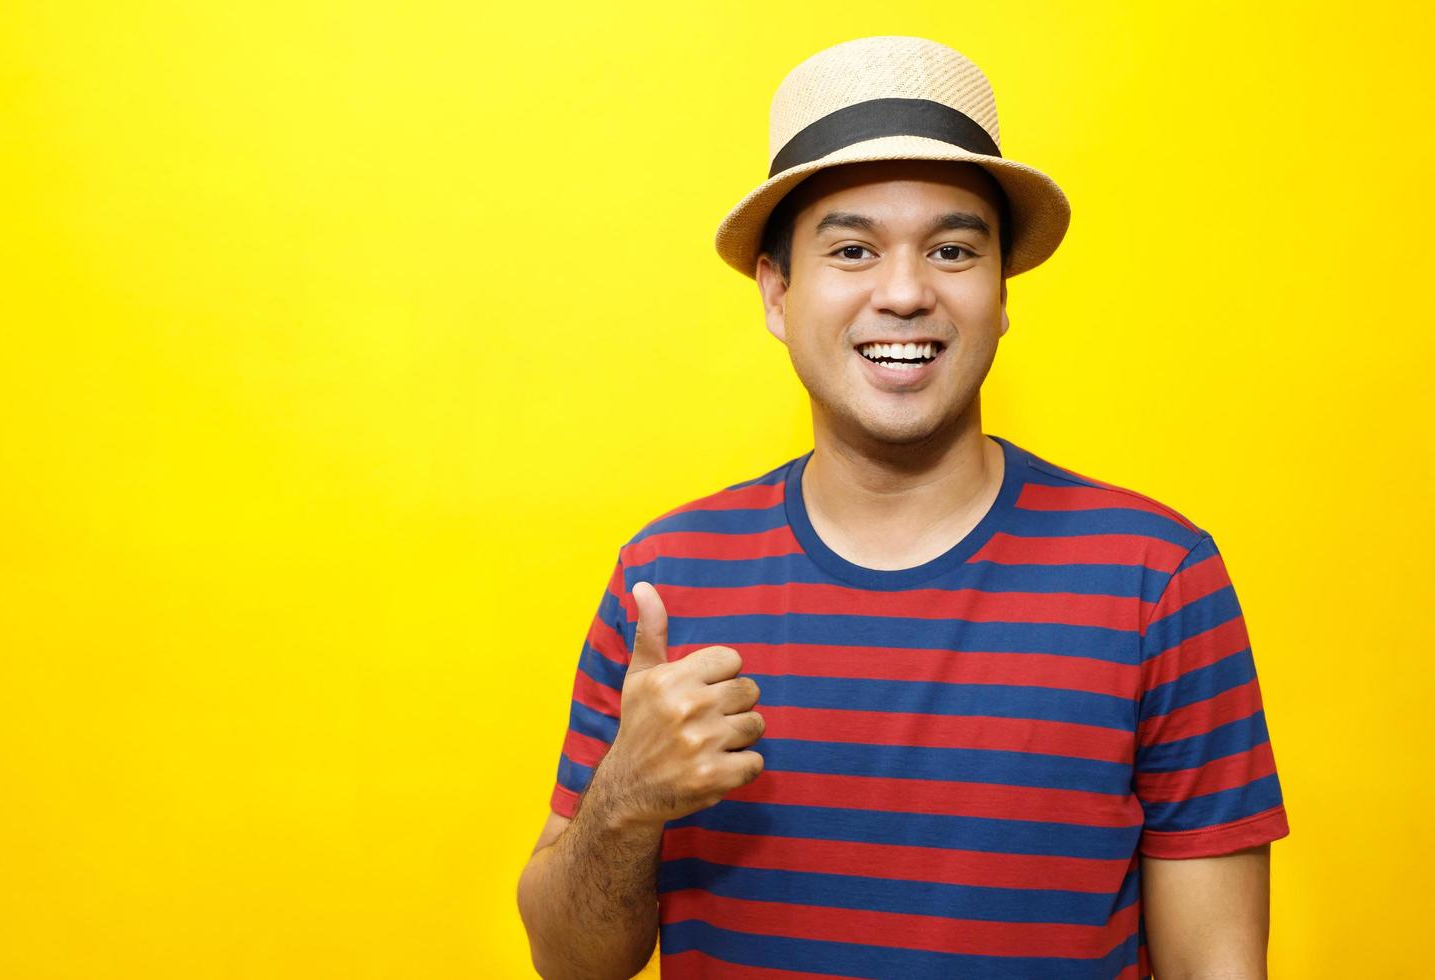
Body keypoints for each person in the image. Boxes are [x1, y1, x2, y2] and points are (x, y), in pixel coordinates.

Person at [517, 35, 1289, 980]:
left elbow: (1218, 967)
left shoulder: (1157, 579)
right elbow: (569, 962)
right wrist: (624, 799)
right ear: (776, 293)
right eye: (851, 250)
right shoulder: (665, 582)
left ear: (1002, 291)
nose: (906, 293)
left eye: (954, 249)